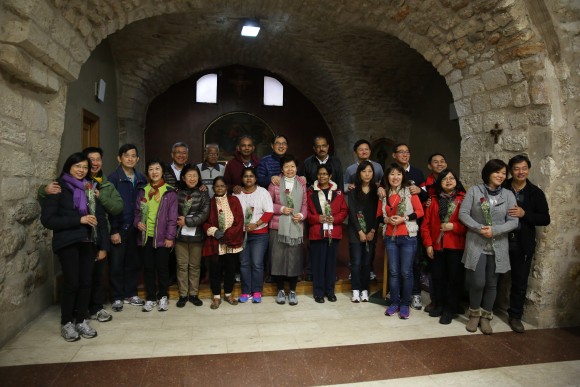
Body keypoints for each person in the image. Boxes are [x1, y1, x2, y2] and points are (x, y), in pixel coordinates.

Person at [38, 147, 123, 323]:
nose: (82, 170)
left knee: (86, 282)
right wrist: (80, 220)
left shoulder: (89, 187)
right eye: (78, 166)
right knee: (72, 283)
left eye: (84, 167)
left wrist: (102, 246)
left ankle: (82, 319)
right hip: (67, 242)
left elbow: (99, 217)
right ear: (69, 167)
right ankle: (67, 322)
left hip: (88, 242)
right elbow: (48, 220)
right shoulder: (57, 187)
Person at [459, 159, 518, 335]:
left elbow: (514, 221)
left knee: (492, 284)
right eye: (496, 172)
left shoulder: (508, 195)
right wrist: (479, 228)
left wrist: (495, 230)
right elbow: (463, 213)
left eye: (503, 173)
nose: (500, 176)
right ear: (488, 173)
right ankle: (474, 313)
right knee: (477, 282)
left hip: (498, 244)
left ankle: (486, 317)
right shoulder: (475, 191)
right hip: (477, 242)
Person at [504, 155, 550, 333]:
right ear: (511, 171)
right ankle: (486, 312)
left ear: (528, 169)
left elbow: (545, 219)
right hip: (500, 240)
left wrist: (525, 214)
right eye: (516, 168)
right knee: (492, 279)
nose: (520, 172)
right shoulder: (503, 187)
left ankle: (515, 316)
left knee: (520, 282)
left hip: (522, 244)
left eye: (524, 168)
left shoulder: (535, 193)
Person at [420, 169, 467, 324]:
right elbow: (425, 226)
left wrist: (453, 227)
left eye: (452, 178)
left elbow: (469, 225)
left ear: (456, 181)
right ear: (439, 183)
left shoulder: (463, 199)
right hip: (437, 246)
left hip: (455, 246)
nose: (448, 181)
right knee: (438, 277)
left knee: (453, 279)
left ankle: (450, 309)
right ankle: (439, 304)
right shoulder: (433, 200)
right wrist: (428, 245)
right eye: (445, 179)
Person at [380, 163, 424, 319]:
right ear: (387, 177)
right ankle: (394, 302)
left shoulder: (410, 192)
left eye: (398, 174)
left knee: (406, 272)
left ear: (402, 176)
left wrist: (403, 218)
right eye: (392, 174)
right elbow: (379, 215)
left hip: (407, 236)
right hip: (390, 237)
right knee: (393, 272)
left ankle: (405, 304)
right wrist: (386, 219)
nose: (395, 177)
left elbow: (419, 212)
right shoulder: (383, 193)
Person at [107, 144, 148, 312]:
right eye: (126, 156)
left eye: (133, 156)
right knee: (116, 263)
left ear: (138, 159)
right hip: (120, 227)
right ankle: (117, 296)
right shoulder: (113, 178)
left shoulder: (141, 178)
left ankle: (131, 293)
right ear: (119, 158)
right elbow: (110, 207)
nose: (130, 159)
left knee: (133, 262)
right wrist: (114, 229)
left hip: (136, 227)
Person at [135, 160, 178, 312]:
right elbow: (137, 213)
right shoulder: (143, 190)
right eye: (151, 169)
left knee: (162, 268)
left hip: (163, 238)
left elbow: (173, 218)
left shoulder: (170, 192)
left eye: (157, 168)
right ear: (147, 173)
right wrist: (137, 223)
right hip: (146, 236)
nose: (154, 172)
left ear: (162, 172)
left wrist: (170, 237)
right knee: (148, 268)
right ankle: (151, 297)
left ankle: (163, 296)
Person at [392, 143, 428, 311]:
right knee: (395, 264)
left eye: (407, 152)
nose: (404, 154)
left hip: (412, 225)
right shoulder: (391, 172)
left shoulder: (417, 173)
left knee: (413, 262)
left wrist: (419, 191)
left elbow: (425, 196)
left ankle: (415, 293)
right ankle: (396, 294)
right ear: (394, 155)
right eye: (401, 152)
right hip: (394, 226)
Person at [269, 155, 308, 306]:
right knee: (278, 258)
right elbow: (268, 205)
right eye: (286, 167)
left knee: (294, 258)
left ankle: (292, 290)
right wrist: (282, 209)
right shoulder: (275, 184)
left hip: (296, 226)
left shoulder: (302, 184)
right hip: (278, 227)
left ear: (296, 168)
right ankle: (280, 289)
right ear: (281, 169)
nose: (290, 169)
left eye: (292, 166)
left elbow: (305, 204)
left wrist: (302, 215)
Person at [307, 164, 348, 303]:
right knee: (318, 264)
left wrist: (335, 219)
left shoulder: (338, 193)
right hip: (317, 232)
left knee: (331, 264)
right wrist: (317, 218)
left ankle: (330, 291)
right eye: (320, 174)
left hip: (333, 232)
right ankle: (318, 292)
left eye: (325, 174)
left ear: (330, 176)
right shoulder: (310, 192)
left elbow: (344, 211)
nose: (322, 176)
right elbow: (306, 212)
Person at [202, 177, 243, 309]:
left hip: (232, 241)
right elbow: (204, 221)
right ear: (213, 188)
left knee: (230, 269)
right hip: (215, 242)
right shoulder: (209, 203)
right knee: (215, 270)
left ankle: (228, 294)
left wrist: (227, 235)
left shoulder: (234, 200)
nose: (220, 188)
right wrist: (215, 232)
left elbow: (239, 221)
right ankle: (216, 296)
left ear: (226, 187)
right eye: (217, 186)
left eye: (222, 186)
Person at [235, 167, 273, 303]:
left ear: (256, 178)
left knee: (257, 263)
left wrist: (255, 224)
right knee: (244, 263)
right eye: (245, 176)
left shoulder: (263, 192)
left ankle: (257, 291)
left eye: (251, 176)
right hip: (242, 234)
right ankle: (246, 291)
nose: (248, 178)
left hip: (259, 234)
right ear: (241, 179)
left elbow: (269, 212)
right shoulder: (237, 194)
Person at [175, 164, 210, 308]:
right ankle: (183, 295)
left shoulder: (203, 193)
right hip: (179, 236)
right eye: (189, 176)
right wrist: (179, 221)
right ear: (183, 177)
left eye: (195, 176)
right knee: (182, 266)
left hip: (197, 235)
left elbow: (204, 213)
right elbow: (172, 211)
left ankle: (194, 294)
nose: (192, 178)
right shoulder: (176, 192)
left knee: (195, 266)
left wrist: (187, 221)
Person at [347, 161, 379, 303]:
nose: (367, 174)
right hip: (355, 231)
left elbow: (378, 213)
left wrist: (372, 230)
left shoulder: (377, 192)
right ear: (359, 173)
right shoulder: (353, 191)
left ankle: (365, 290)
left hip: (371, 231)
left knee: (367, 263)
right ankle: (355, 290)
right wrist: (360, 231)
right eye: (364, 171)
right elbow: (352, 212)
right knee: (356, 262)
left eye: (370, 171)